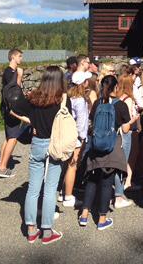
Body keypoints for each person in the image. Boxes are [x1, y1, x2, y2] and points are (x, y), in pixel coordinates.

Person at [10, 66, 67, 244]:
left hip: (37, 143)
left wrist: (32, 121)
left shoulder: (33, 98)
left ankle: (31, 229)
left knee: (33, 189)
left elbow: (14, 107)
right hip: (54, 145)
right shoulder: (62, 99)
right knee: (50, 189)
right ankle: (47, 231)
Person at [79, 75, 140, 230]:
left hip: (95, 148)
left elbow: (92, 122)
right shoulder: (120, 105)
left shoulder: (97, 103)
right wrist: (132, 121)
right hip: (112, 148)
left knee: (92, 180)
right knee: (107, 183)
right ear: (116, 87)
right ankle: (102, 219)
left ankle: (84, 215)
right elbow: (125, 130)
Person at [60, 71, 91, 209]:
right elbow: (82, 122)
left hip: (65, 133)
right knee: (72, 165)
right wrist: (82, 138)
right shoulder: (80, 100)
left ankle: (62, 191)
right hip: (76, 137)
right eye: (86, 81)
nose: (88, 83)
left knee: (65, 164)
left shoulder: (68, 97)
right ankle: (68, 195)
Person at [0, 48, 24, 178]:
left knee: (8, 137)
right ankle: (2, 167)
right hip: (11, 109)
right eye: (19, 56)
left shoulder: (10, 72)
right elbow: (15, 90)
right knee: (13, 138)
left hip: (8, 108)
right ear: (13, 57)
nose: (21, 59)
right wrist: (19, 76)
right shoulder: (9, 72)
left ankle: (0, 164)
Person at [113, 73, 137, 208]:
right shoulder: (128, 100)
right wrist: (134, 119)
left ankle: (119, 193)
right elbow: (126, 126)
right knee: (122, 164)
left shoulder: (115, 99)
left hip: (115, 135)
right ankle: (119, 195)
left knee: (117, 164)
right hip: (124, 136)